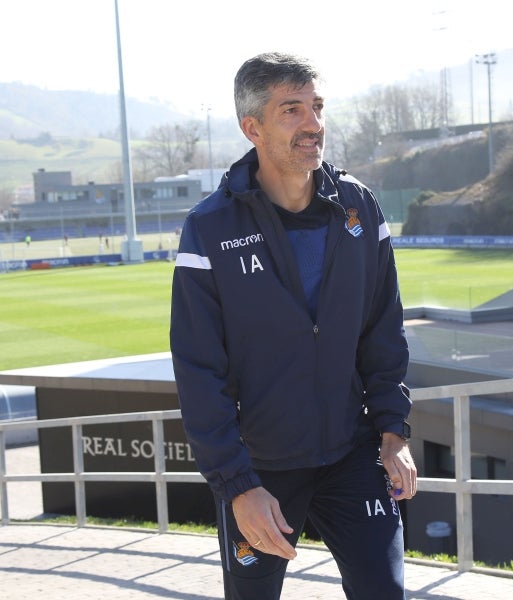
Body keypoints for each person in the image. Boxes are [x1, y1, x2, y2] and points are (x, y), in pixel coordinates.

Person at [170, 51, 416, 600]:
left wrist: (394, 431)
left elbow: (383, 329)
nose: (314, 124)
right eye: (292, 110)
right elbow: (197, 371)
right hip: (262, 469)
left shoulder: (359, 207)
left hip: (353, 455)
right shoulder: (209, 229)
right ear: (251, 127)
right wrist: (237, 486)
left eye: (317, 107)